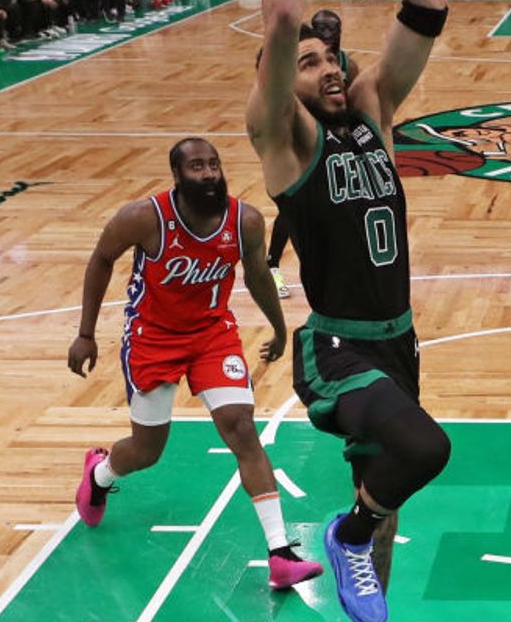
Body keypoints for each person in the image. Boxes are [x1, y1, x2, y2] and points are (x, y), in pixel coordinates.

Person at [249, 0, 451, 622]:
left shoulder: (371, 112)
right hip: (334, 349)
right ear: (278, 80)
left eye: (330, 58)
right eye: (306, 64)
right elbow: (287, 11)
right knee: (422, 450)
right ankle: (344, 531)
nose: (326, 69)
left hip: (397, 339)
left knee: (390, 507)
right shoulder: (283, 138)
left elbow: (429, 6)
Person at [66, 138, 321, 591]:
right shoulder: (144, 218)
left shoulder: (244, 220)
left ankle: (280, 552)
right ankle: (100, 473)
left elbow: (259, 275)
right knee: (147, 451)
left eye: (214, 164)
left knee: (241, 427)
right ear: (178, 176)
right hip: (153, 336)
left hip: (211, 334)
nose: (209, 173)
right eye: (197, 166)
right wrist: (86, 333)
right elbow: (102, 258)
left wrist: (280, 330)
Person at [265, 8, 361, 299]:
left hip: (338, 144)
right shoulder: (300, 63)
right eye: (322, 29)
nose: (327, 34)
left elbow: (354, 108)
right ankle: (272, 262)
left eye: (332, 29)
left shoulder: (348, 65)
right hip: (305, 143)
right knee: (292, 208)